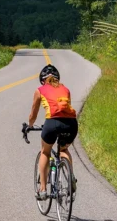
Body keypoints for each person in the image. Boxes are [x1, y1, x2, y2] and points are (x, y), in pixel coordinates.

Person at [28, 64, 78, 200]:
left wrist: (30, 126)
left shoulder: (40, 90)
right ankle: (70, 178)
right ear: (57, 78)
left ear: (42, 80)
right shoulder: (65, 89)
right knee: (64, 150)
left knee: (45, 152)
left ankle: (43, 189)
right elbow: (65, 110)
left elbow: (33, 114)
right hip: (71, 124)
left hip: (52, 123)